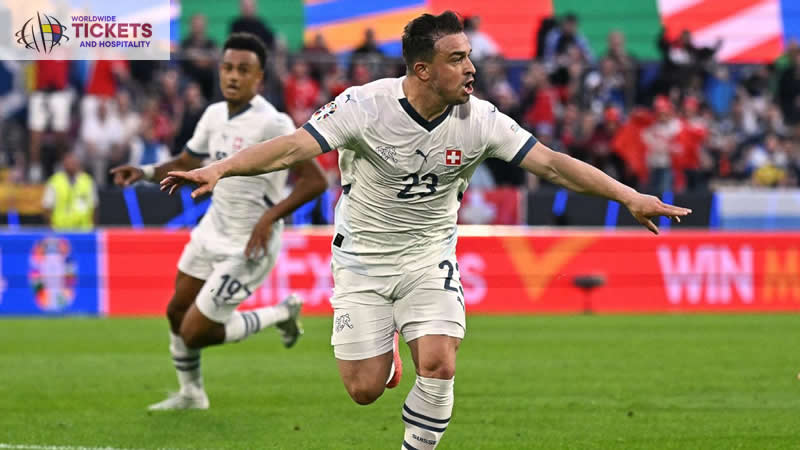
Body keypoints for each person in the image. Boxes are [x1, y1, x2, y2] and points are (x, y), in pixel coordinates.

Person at [160, 12, 691, 448]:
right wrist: (220, 168)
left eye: (468, 56)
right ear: (422, 69)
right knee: (364, 389)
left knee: (438, 363)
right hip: (362, 260)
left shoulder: (481, 119)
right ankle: (385, 353)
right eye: (456, 59)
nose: (471, 68)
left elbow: (552, 164)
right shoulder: (364, 106)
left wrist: (629, 196)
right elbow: (293, 147)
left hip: (428, 256)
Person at [110, 33, 328, 411]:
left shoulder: (273, 122)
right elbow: (187, 162)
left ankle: (281, 313)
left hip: (250, 243)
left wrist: (269, 218)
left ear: (259, 78)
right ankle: (192, 394)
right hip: (212, 229)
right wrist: (143, 172)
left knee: (195, 332)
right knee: (175, 313)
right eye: (227, 68)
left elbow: (315, 181)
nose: (233, 76)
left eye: (243, 70)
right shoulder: (213, 115)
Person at [42, 151, 97, 230]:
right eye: (68, 163)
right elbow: (47, 207)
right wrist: (51, 229)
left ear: (78, 164)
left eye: (73, 163)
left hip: (83, 230)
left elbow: (94, 207)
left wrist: (92, 229)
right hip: (60, 230)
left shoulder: (87, 181)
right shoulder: (54, 181)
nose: (71, 165)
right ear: (63, 164)